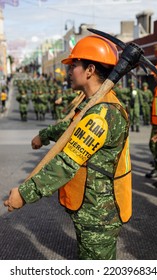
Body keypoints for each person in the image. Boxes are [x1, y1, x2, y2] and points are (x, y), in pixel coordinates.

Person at [4, 35, 133, 260]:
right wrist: (43, 136)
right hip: (89, 208)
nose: (69, 70)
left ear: (90, 70)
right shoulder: (91, 105)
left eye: (74, 65)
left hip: (98, 214)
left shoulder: (102, 115)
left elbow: (65, 164)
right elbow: (70, 127)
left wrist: (23, 195)